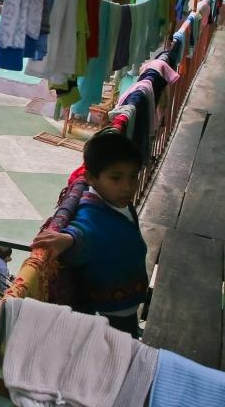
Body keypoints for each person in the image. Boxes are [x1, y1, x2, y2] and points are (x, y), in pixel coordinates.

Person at [30, 130, 148, 337]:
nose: (127, 187)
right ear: (91, 178)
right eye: (116, 178)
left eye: (133, 176)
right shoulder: (93, 210)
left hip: (126, 302)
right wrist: (67, 239)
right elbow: (84, 230)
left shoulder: (118, 202)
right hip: (111, 312)